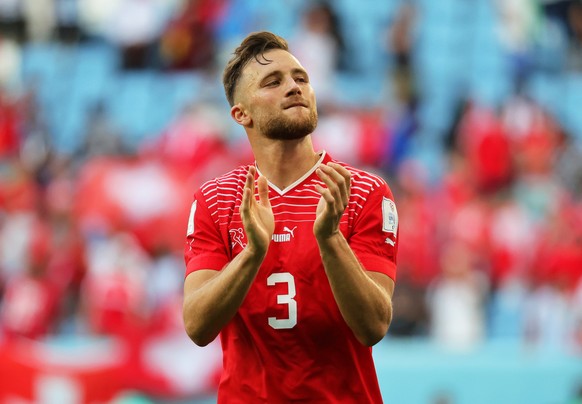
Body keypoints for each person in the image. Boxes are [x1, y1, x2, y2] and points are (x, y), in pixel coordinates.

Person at [182, 31, 399, 403]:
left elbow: (373, 326)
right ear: (241, 113)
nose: (294, 87)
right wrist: (252, 253)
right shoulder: (216, 200)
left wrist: (330, 239)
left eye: (301, 78)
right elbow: (197, 326)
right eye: (273, 81)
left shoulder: (361, 191)